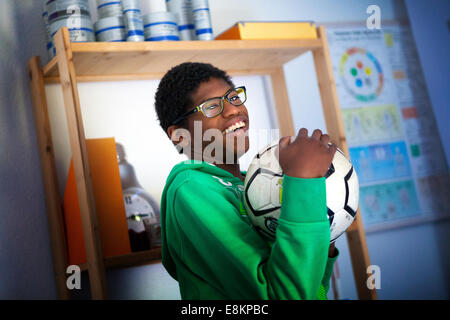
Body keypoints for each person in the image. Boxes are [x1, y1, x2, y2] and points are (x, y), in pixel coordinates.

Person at [154, 62, 339, 300]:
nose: (232, 110)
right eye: (211, 106)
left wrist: (325, 243)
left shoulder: (254, 184)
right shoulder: (190, 189)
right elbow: (280, 296)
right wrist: (302, 179)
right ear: (179, 135)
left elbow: (311, 288)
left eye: (233, 97)